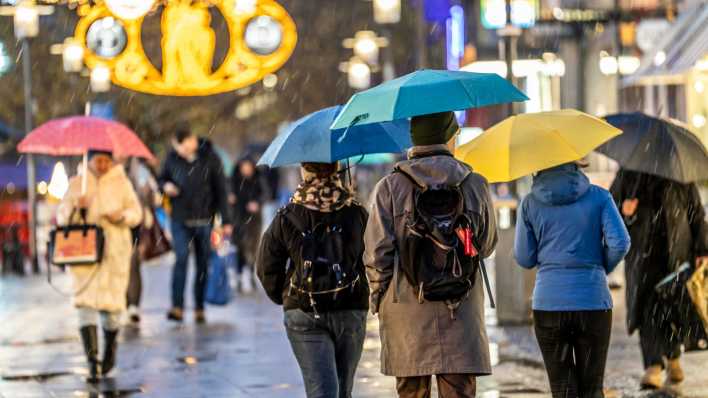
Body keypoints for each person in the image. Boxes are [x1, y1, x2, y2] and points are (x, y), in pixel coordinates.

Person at [365, 111, 498, 398]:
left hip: (406, 310)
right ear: (449, 136)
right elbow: (486, 245)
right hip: (460, 309)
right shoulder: (475, 184)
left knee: (412, 393)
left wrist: (377, 298)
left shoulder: (389, 187)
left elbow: (377, 254)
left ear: (414, 139)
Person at [514, 161, 631, 398]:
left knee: (562, 388)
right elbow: (620, 242)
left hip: (549, 303)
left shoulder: (529, 203)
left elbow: (524, 258)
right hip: (593, 300)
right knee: (592, 388)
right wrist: (599, 267)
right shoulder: (600, 197)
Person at [257, 162, 369, 398]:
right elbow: (375, 257)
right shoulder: (357, 213)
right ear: (337, 169)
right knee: (342, 391)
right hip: (349, 308)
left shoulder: (287, 215)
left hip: (303, 310)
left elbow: (266, 265)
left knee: (321, 391)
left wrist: (284, 295)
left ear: (305, 173)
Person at [610, 169, 707, 389]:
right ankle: (653, 366)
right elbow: (609, 210)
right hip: (642, 258)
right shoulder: (629, 174)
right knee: (646, 312)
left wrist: (702, 248)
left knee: (670, 309)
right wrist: (624, 212)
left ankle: (672, 357)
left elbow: (696, 212)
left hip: (676, 256)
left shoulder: (681, 174)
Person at [57, 150, 142, 382]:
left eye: (107, 160)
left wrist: (121, 216)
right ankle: (92, 360)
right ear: (90, 160)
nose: (103, 165)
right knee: (85, 304)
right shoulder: (77, 183)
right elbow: (61, 217)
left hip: (115, 252)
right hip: (85, 254)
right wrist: (77, 207)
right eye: (99, 161)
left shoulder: (122, 182)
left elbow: (137, 214)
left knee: (113, 308)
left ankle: (110, 351)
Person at [158, 126, 231, 323]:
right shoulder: (172, 159)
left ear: (192, 140)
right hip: (179, 218)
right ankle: (177, 306)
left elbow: (221, 189)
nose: (180, 150)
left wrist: (226, 220)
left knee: (202, 264)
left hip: (204, 219)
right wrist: (166, 186)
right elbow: (161, 178)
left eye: (182, 145)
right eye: (176, 146)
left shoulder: (210, 157)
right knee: (180, 258)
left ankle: (199, 307)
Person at [230, 156, 266, 293]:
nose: (246, 170)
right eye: (243, 167)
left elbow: (265, 194)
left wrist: (257, 202)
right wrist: (230, 196)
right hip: (238, 218)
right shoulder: (234, 179)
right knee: (240, 246)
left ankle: (251, 273)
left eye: (248, 167)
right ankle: (239, 275)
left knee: (253, 247)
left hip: (254, 220)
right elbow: (227, 191)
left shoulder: (258, 178)